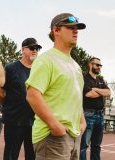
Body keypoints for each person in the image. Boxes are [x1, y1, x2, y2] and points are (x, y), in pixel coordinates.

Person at [26, 13, 86, 160]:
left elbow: (75, 97)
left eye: (77, 28)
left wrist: (82, 121)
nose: (75, 31)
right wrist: (55, 126)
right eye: (70, 27)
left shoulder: (76, 66)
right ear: (56, 30)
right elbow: (32, 95)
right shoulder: (46, 60)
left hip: (73, 134)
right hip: (53, 136)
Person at [0, 38, 42, 160]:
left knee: (32, 156)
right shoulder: (11, 68)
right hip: (14, 121)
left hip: (35, 123)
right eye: (32, 48)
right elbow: (0, 91)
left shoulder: (40, 71)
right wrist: (9, 105)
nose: (35, 51)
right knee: (11, 155)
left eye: (37, 49)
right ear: (23, 50)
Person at [80, 57, 111, 160]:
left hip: (100, 115)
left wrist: (96, 89)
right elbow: (89, 94)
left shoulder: (100, 79)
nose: (99, 67)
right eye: (97, 65)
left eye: (100, 65)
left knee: (97, 146)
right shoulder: (84, 78)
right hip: (88, 115)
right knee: (83, 145)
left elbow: (108, 92)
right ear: (90, 65)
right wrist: (101, 92)